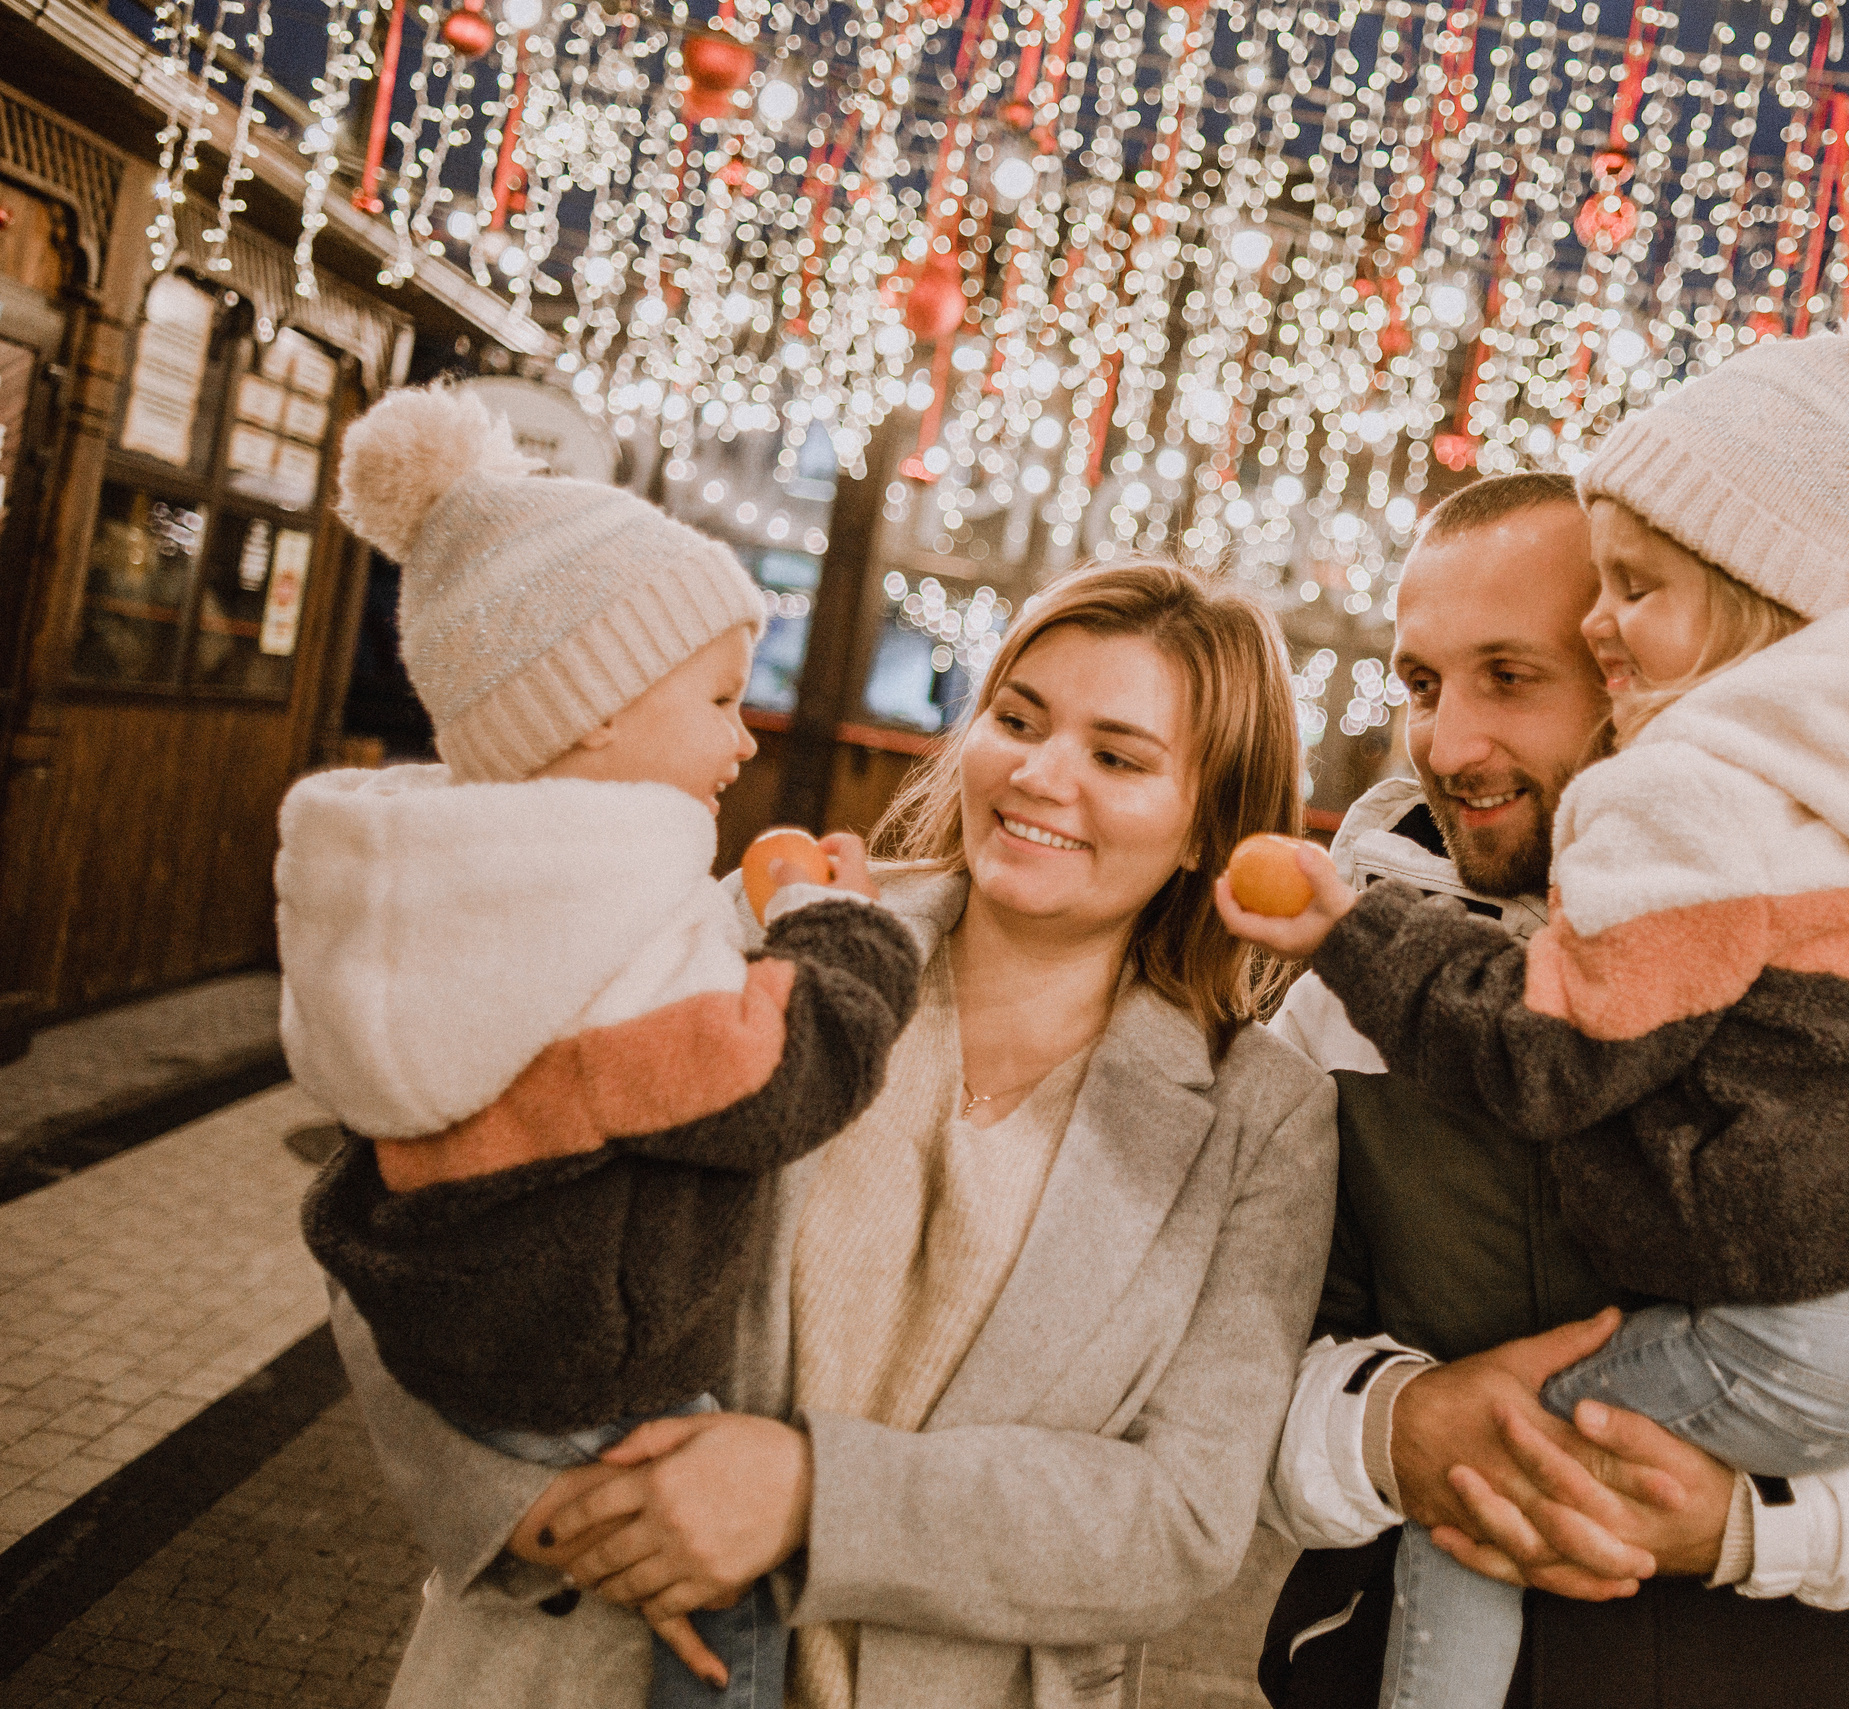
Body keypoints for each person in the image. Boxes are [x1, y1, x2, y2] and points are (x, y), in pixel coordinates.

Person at [1226, 283, 1849, 1709]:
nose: (1451, 742)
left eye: (1514, 677)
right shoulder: (1344, 974)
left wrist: (1775, 1529)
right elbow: (1227, 1364)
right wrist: (1393, 1428)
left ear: (1651, 681)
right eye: (1419, 682)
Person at [328, 560, 1340, 1709]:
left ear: (1210, 823)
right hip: (580, 1656)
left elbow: (1181, 1515)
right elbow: (422, 1202)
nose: (1040, 775)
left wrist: (815, 1493)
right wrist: (544, 1509)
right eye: (1017, 719)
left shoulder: (1263, 1119)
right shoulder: (766, 933)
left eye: (1116, 757)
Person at [283, 384, 920, 1709]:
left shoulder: (450, 882)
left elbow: (600, 1024)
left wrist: (740, 909)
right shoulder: (608, 913)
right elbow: (768, 1066)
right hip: (594, 1361)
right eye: (721, 700)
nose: (745, 740)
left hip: (467, 1356)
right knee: (720, 1591)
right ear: (593, 711)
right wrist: (839, 932)